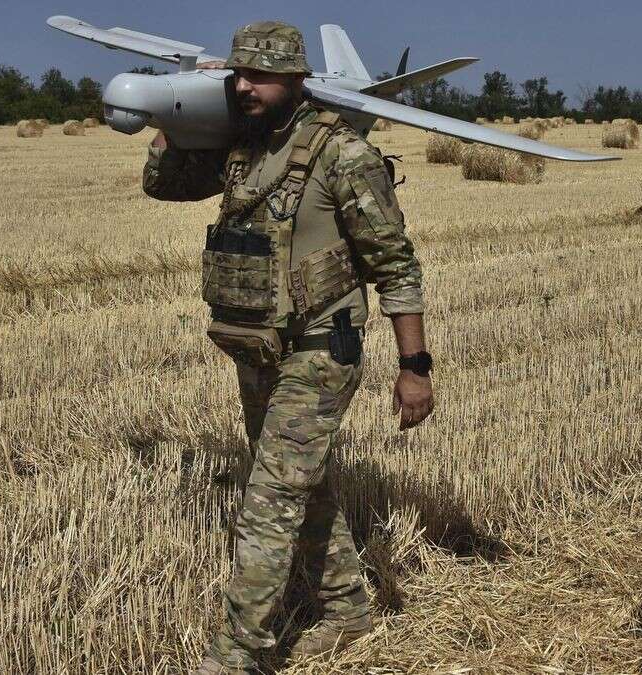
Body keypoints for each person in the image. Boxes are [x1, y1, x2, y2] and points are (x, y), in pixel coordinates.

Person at [141, 20, 435, 673]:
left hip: (324, 347)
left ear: (297, 80)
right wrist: (168, 116)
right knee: (303, 484)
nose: (244, 86)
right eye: (238, 74)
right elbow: (162, 184)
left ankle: (237, 650)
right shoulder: (243, 147)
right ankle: (349, 609)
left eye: (261, 76)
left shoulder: (345, 156)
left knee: (270, 494)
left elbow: (397, 266)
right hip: (259, 344)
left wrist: (415, 367)